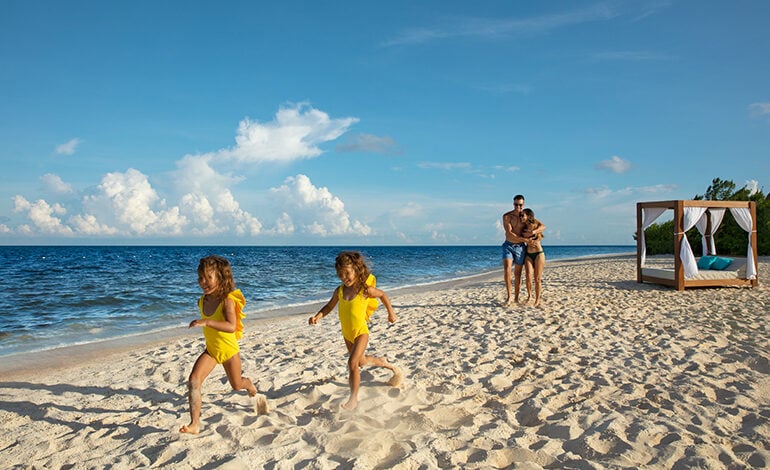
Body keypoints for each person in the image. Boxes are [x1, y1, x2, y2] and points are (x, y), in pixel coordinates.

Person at [180, 255, 268, 434]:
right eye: (200, 278)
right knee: (194, 380)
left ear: (221, 278)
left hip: (229, 351)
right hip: (211, 351)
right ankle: (194, 424)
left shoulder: (227, 299)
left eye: (208, 278)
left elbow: (231, 326)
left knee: (236, 385)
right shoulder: (202, 300)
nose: (203, 282)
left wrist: (206, 322)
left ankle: (249, 384)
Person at [308, 251, 402, 410]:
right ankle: (384, 363)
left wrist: (391, 313)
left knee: (352, 363)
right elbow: (329, 306)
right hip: (347, 334)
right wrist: (318, 316)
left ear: (357, 270)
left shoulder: (365, 290)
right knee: (361, 362)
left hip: (361, 332)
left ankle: (353, 399)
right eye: (340, 274)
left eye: (347, 273)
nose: (344, 277)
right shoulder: (339, 291)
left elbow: (383, 295)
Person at [501, 195, 545, 306]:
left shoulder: (525, 217)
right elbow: (510, 233)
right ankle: (509, 297)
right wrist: (526, 239)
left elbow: (542, 226)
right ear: (513, 204)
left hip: (521, 248)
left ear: (523, 205)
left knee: (518, 274)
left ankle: (516, 298)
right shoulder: (507, 216)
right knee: (507, 269)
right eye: (516, 204)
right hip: (508, 245)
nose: (518, 207)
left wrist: (533, 233)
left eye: (520, 205)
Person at [521, 208, 546, 307]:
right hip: (528, 254)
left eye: (523, 215)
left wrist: (533, 233)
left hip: (539, 254)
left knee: (537, 278)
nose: (521, 217)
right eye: (521, 215)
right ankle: (529, 296)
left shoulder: (535, 223)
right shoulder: (522, 226)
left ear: (528, 216)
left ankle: (537, 300)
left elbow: (543, 226)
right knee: (528, 276)